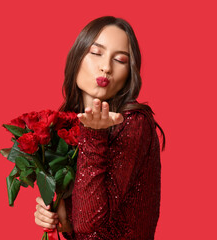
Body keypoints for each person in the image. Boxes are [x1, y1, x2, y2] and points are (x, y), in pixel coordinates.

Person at [34, 16, 165, 239]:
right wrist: (57, 215)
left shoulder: (134, 122)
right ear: (77, 58)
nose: (106, 67)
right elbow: (84, 220)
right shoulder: (68, 125)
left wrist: (94, 133)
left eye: (120, 60)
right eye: (96, 53)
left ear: (129, 74)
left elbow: (89, 223)